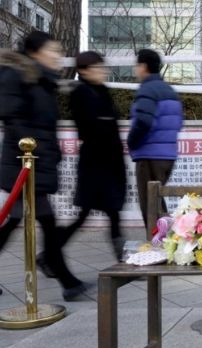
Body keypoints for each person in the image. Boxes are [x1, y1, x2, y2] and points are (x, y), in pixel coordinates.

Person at [0, 31, 87, 300]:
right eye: (53, 50)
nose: (58, 56)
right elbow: (14, 119)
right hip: (24, 164)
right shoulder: (16, 75)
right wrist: (35, 153)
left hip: (35, 164)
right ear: (36, 52)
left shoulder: (42, 80)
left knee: (22, 221)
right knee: (39, 221)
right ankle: (66, 279)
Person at [56, 51, 127, 261]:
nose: (101, 71)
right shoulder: (81, 93)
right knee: (89, 214)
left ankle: (49, 255)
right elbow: (88, 129)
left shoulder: (102, 91)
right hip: (95, 163)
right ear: (83, 71)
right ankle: (50, 255)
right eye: (96, 68)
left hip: (109, 162)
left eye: (102, 67)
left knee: (111, 212)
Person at [127, 49, 183, 231]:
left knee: (150, 205)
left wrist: (132, 142)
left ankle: (160, 245)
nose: (135, 70)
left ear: (143, 67)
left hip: (149, 155)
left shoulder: (147, 90)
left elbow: (143, 121)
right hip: (168, 156)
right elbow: (178, 123)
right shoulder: (170, 91)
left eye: (137, 66)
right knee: (157, 202)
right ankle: (168, 241)